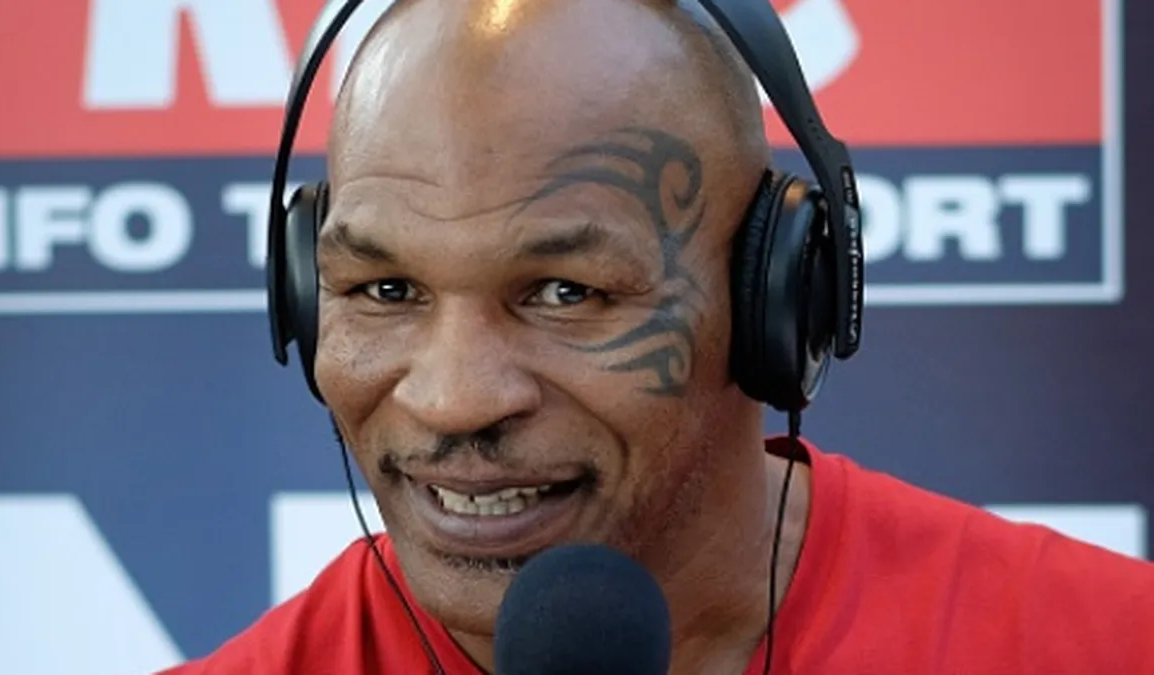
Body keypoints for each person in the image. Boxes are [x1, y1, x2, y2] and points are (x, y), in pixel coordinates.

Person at [160, 0, 1154, 673]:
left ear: (774, 302)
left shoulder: (1107, 642)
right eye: (385, 289)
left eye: (565, 292)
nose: (453, 398)